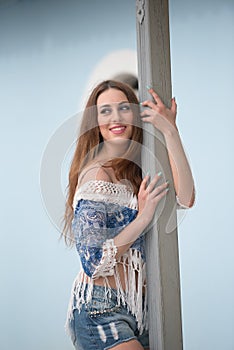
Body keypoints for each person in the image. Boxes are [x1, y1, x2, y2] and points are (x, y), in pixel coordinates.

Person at [63, 80, 195, 350]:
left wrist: (170, 130)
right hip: (100, 310)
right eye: (105, 111)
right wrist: (143, 218)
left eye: (124, 108)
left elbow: (186, 197)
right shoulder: (96, 174)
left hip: (141, 312)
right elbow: (94, 262)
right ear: (95, 122)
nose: (116, 117)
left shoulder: (139, 170)